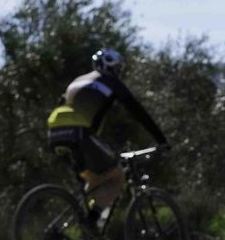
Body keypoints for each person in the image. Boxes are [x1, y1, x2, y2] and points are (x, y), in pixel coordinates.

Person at [47, 49, 168, 229]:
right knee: (117, 176)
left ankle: (66, 227)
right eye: (118, 69)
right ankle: (92, 220)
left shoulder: (78, 81)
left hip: (55, 134)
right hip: (79, 134)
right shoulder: (112, 82)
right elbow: (138, 112)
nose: (119, 73)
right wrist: (161, 140)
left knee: (96, 179)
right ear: (111, 67)